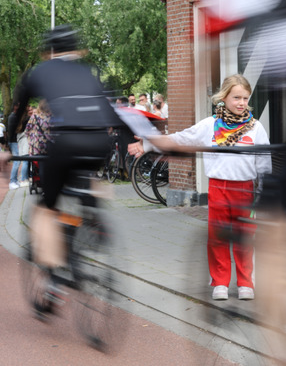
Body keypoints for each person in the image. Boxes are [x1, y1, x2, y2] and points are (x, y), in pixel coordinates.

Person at [129, 74, 271, 301]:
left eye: (245, 98)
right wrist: (147, 143)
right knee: (218, 237)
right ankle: (220, 282)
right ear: (223, 97)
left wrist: (263, 194)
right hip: (218, 188)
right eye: (236, 97)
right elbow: (181, 139)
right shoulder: (210, 125)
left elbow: (264, 164)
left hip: (246, 190)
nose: (242, 103)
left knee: (245, 236)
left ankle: (245, 282)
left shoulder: (256, 128)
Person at [14, 24, 124, 213]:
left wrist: (9, 143)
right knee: (84, 182)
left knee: (46, 205)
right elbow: (111, 112)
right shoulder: (87, 72)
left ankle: (51, 222)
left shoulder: (42, 70)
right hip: (99, 144)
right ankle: (95, 221)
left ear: (50, 49)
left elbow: (19, 111)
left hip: (67, 142)